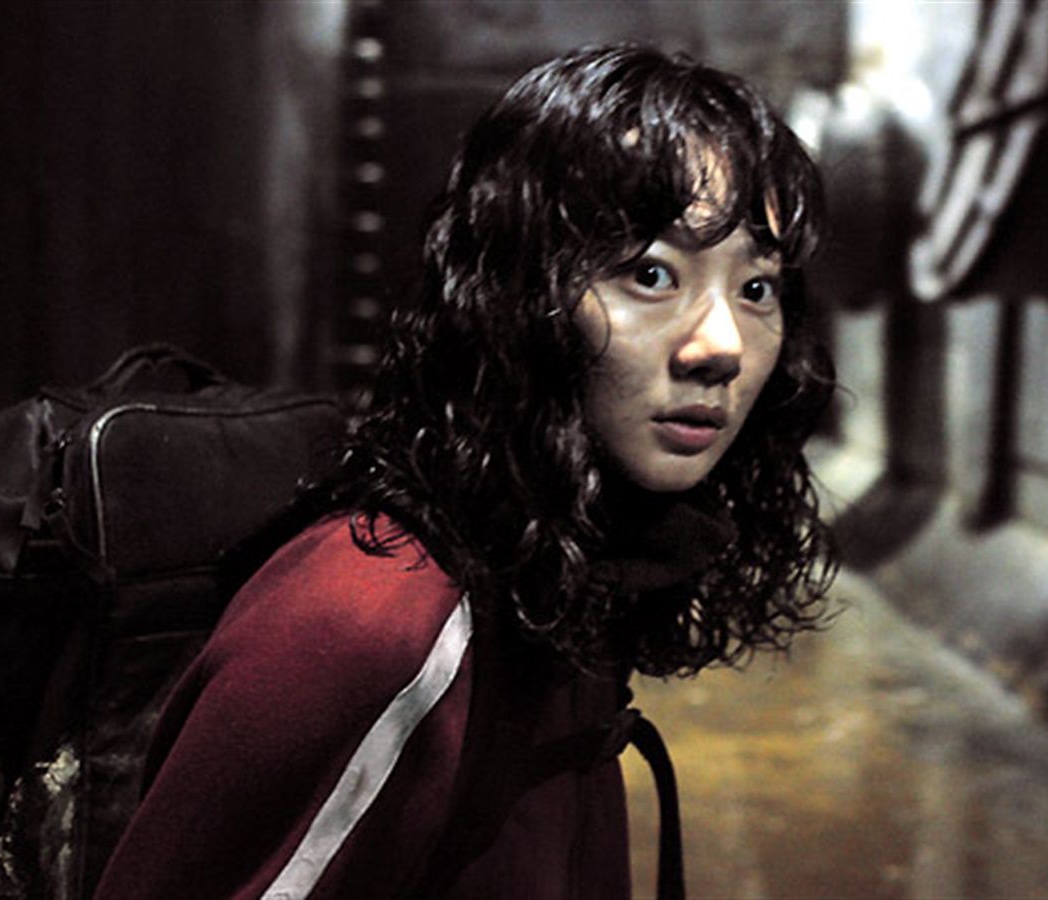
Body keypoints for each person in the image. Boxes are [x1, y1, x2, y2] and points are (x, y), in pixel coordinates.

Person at [95, 44, 836, 899]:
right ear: (517, 299)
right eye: (650, 274)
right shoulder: (374, 624)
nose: (723, 346)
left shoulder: (565, 578)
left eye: (757, 289)